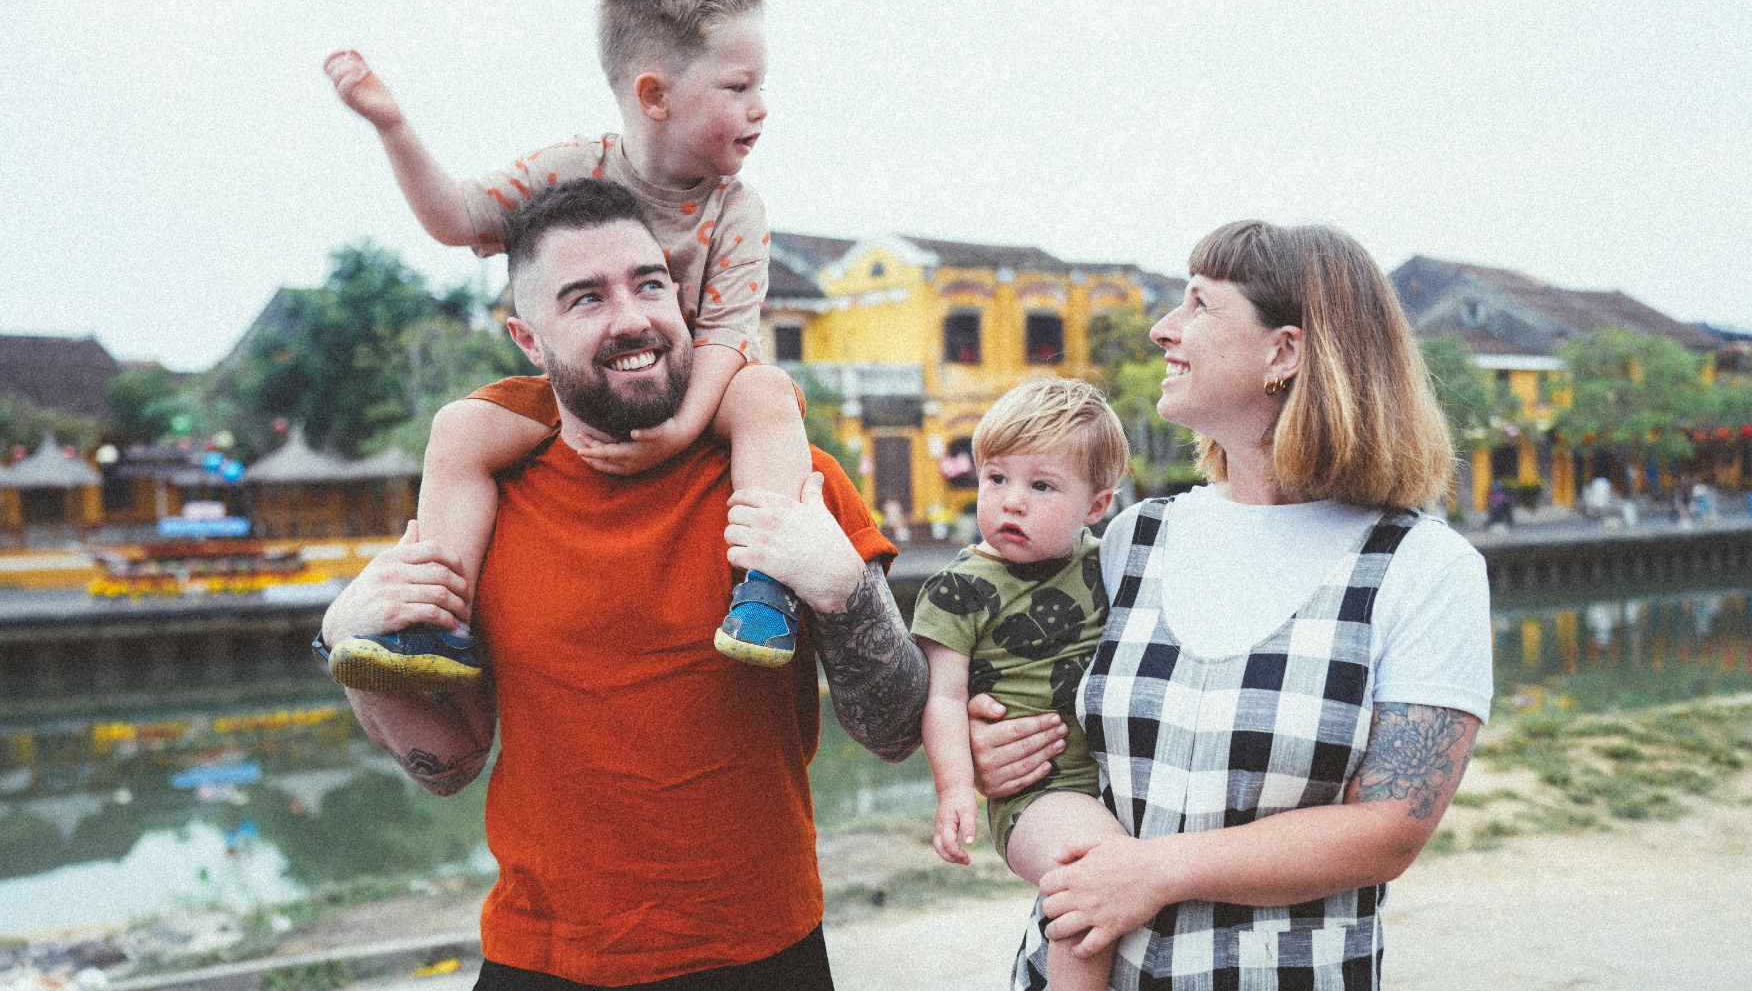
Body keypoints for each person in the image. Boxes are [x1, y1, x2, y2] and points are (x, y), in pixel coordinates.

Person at [315, 179, 928, 990]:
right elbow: (451, 764)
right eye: (587, 298)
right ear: (529, 341)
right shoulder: (487, 503)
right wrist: (344, 642)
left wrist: (843, 588)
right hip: (544, 955)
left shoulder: (786, 480)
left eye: (649, 284)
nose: (632, 317)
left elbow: (894, 734)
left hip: (761, 950)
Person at [968, 221, 1492, 990]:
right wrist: (1000, 744)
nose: (1163, 329)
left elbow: (1389, 831)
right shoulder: (1131, 540)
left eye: (1199, 305)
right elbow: (1043, 726)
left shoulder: (1425, 569)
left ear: (1284, 352)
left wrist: (1158, 871)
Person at [322, 0, 811, 689]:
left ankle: (768, 589)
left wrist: (678, 430)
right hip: (583, 389)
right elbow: (457, 218)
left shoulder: (736, 209)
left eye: (760, 86)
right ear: (655, 95)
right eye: (739, 88)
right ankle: (437, 617)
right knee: (460, 428)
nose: (761, 107)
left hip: (696, 383)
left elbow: (727, 337)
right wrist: (391, 124)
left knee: (767, 393)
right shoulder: (573, 167)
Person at [913, 377, 1131, 991]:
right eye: (996, 478)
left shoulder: (1108, 560)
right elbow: (944, 697)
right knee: (1085, 873)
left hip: (1122, 781)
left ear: (1096, 505)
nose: (1011, 503)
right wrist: (956, 787)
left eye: (1042, 486)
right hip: (1039, 792)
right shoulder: (959, 589)